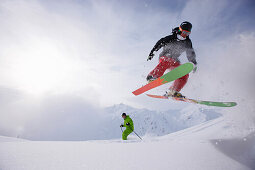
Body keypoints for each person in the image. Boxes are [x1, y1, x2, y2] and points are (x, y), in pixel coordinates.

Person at [146, 21, 197, 98]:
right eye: (184, 32)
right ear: (180, 30)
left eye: (187, 33)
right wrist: (152, 52)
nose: (185, 35)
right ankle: (152, 76)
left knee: (185, 74)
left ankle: (173, 91)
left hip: (175, 60)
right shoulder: (171, 37)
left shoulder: (187, 42)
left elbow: (190, 53)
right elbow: (160, 42)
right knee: (168, 60)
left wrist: (193, 63)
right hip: (165, 57)